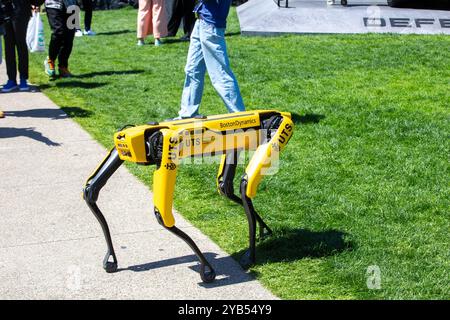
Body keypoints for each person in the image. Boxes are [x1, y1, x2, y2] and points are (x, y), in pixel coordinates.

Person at [177, 0, 244, 119]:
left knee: (220, 74)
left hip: (211, 25)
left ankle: (239, 116)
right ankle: (187, 114)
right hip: (202, 21)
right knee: (192, 69)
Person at [1, 0, 33, 93]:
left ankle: (23, 78)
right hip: (5, 11)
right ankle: (11, 79)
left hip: (21, 10)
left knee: (21, 44)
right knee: (8, 46)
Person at [43, 0, 77, 78]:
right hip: (53, 4)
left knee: (70, 35)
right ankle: (50, 60)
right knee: (58, 32)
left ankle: (63, 67)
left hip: (71, 3)